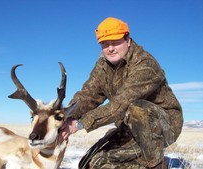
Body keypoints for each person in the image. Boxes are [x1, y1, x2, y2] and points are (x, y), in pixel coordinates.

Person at [60, 17, 183, 169]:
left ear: (128, 40)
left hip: (163, 125)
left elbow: (121, 104)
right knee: (90, 163)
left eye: (115, 42)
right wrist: (64, 114)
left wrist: (79, 124)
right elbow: (88, 96)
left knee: (137, 108)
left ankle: (157, 164)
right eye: (105, 44)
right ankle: (139, 161)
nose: (110, 48)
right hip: (128, 126)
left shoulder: (145, 64)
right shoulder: (103, 66)